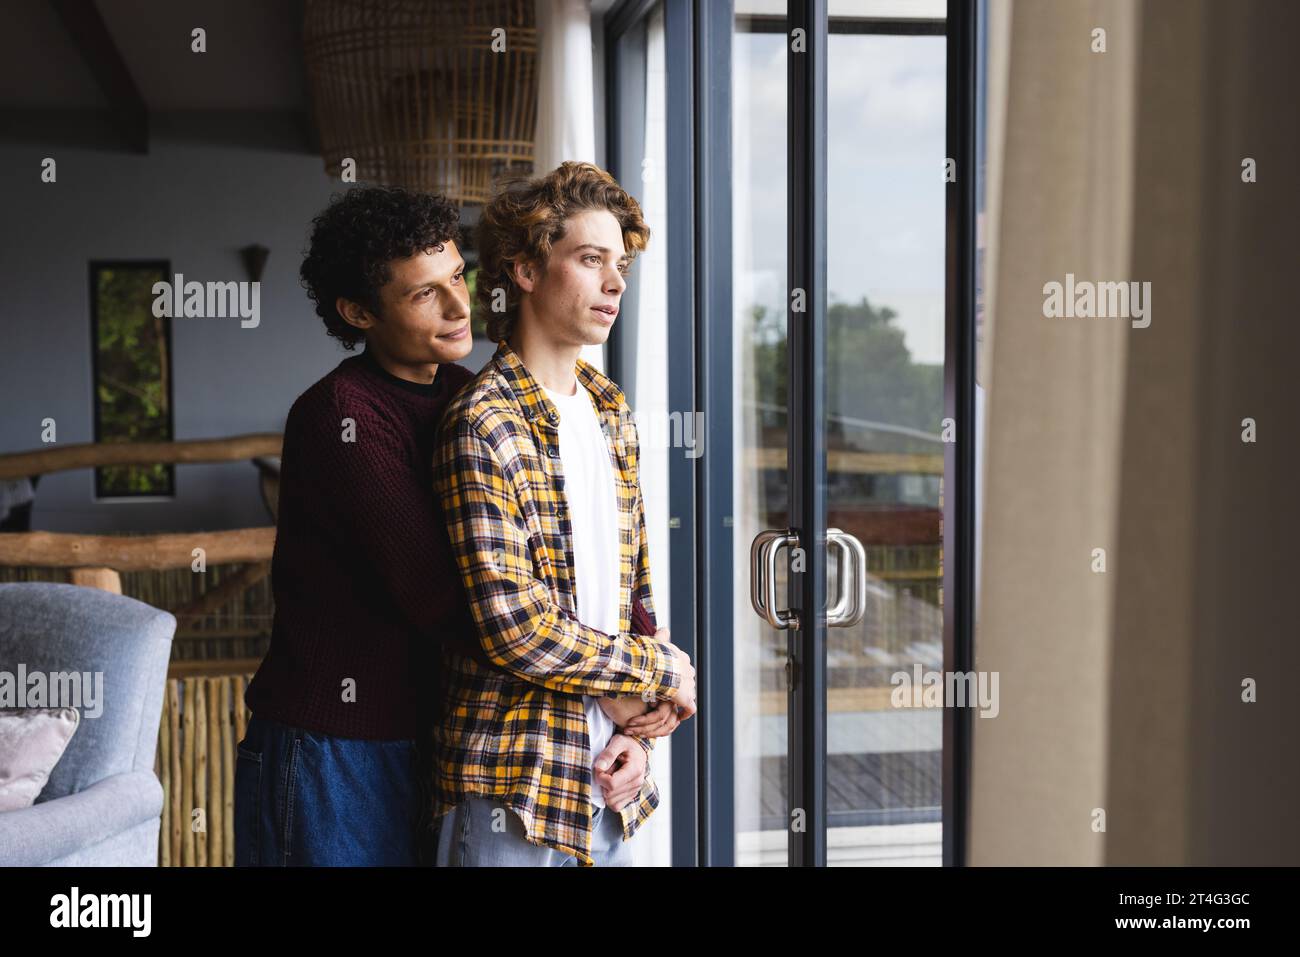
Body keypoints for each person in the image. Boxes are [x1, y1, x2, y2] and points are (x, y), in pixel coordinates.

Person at [431, 162, 698, 867]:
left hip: (608, 780)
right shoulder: (483, 423)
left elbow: (635, 598)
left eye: (621, 265)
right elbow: (515, 627)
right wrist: (660, 669)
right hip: (512, 789)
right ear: (523, 269)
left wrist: (641, 730)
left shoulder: (610, 410)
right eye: (589, 260)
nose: (615, 283)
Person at [235, 185, 479, 866]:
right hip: (331, 749)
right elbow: (435, 592)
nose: (460, 305)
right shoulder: (340, 414)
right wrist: (592, 673)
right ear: (359, 312)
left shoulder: (463, 393)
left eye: (458, 275)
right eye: (424, 293)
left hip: (425, 732)